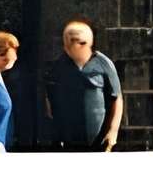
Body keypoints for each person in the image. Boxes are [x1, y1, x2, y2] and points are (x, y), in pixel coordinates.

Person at [42, 19, 123, 151]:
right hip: (68, 139)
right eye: (69, 41)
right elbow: (49, 98)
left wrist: (113, 131)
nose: (73, 45)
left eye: (78, 41)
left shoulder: (103, 63)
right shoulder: (58, 65)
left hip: (99, 138)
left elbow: (117, 98)